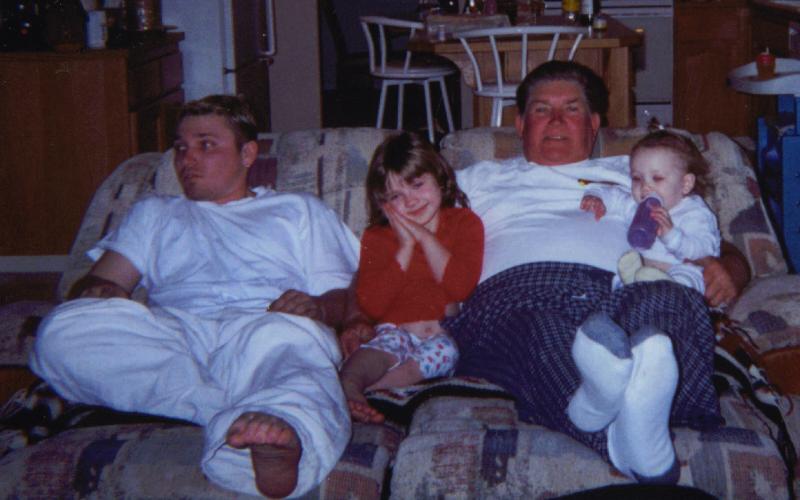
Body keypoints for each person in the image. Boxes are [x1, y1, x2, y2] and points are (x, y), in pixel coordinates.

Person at [30, 95, 373, 498]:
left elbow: (348, 296)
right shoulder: (154, 212)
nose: (186, 159)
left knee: (295, 348)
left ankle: (280, 438)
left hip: (263, 326)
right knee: (61, 331)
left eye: (206, 144)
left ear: (247, 154)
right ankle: (245, 412)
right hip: (175, 336)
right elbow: (97, 285)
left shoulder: (298, 210)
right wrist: (99, 292)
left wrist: (317, 307)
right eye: (180, 147)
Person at [444, 60, 751, 484]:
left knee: (668, 302)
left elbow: (710, 241)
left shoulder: (637, 172)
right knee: (539, 330)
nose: (555, 120)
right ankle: (631, 444)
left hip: (622, 289)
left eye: (571, 109)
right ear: (519, 124)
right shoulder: (477, 180)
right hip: (516, 297)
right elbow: (398, 230)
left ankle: (622, 410)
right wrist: (360, 312)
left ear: (593, 125)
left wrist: (727, 267)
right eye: (541, 109)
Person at [339, 131, 484, 424]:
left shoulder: (465, 223)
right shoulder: (376, 237)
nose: (411, 201)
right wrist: (405, 247)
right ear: (383, 203)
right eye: (396, 196)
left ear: (440, 178)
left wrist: (423, 236)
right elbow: (372, 306)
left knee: (445, 352)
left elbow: (460, 287)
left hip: (442, 337)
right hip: (394, 330)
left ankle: (376, 390)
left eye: (417, 185)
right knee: (377, 351)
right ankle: (349, 384)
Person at [580, 130, 721, 294]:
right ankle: (631, 285)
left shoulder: (694, 212)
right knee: (619, 273)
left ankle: (669, 290)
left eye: (657, 178)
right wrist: (596, 197)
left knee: (690, 275)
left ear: (685, 183)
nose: (645, 187)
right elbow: (614, 195)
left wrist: (672, 236)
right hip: (644, 272)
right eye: (637, 178)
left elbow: (705, 250)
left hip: (681, 270)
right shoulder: (636, 206)